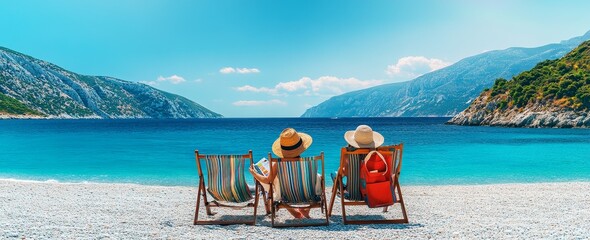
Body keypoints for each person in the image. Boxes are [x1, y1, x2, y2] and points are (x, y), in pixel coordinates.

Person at [249, 128, 321, 219]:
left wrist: (254, 173)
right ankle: (305, 210)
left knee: (275, 183)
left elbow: (268, 180)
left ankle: (296, 213)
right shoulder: (308, 163)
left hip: (286, 196)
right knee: (318, 177)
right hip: (308, 195)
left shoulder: (277, 163)